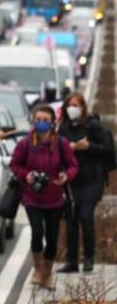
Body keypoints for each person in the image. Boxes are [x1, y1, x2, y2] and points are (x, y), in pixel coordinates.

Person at [9, 104, 79, 289]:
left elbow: (73, 165)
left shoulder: (61, 144)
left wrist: (66, 176)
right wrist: (26, 175)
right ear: (33, 121)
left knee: (52, 236)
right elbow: (14, 164)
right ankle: (38, 268)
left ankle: (47, 273)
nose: (41, 123)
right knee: (37, 232)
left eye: (45, 120)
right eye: (38, 120)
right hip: (32, 196)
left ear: (52, 122)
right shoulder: (25, 143)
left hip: (55, 198)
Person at [57, 92, 109, 273]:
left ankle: (88, 258)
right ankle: (72, 261)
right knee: (71, 221)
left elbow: (107, 150)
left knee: (86, 217)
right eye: (70, 105)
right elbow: (57, 151)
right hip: (71, 181)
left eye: (76, 105)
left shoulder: (93, 126)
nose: (73, 109)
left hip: (91, 179)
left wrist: (88, 147)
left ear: (83, 107)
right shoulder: (63, 128)